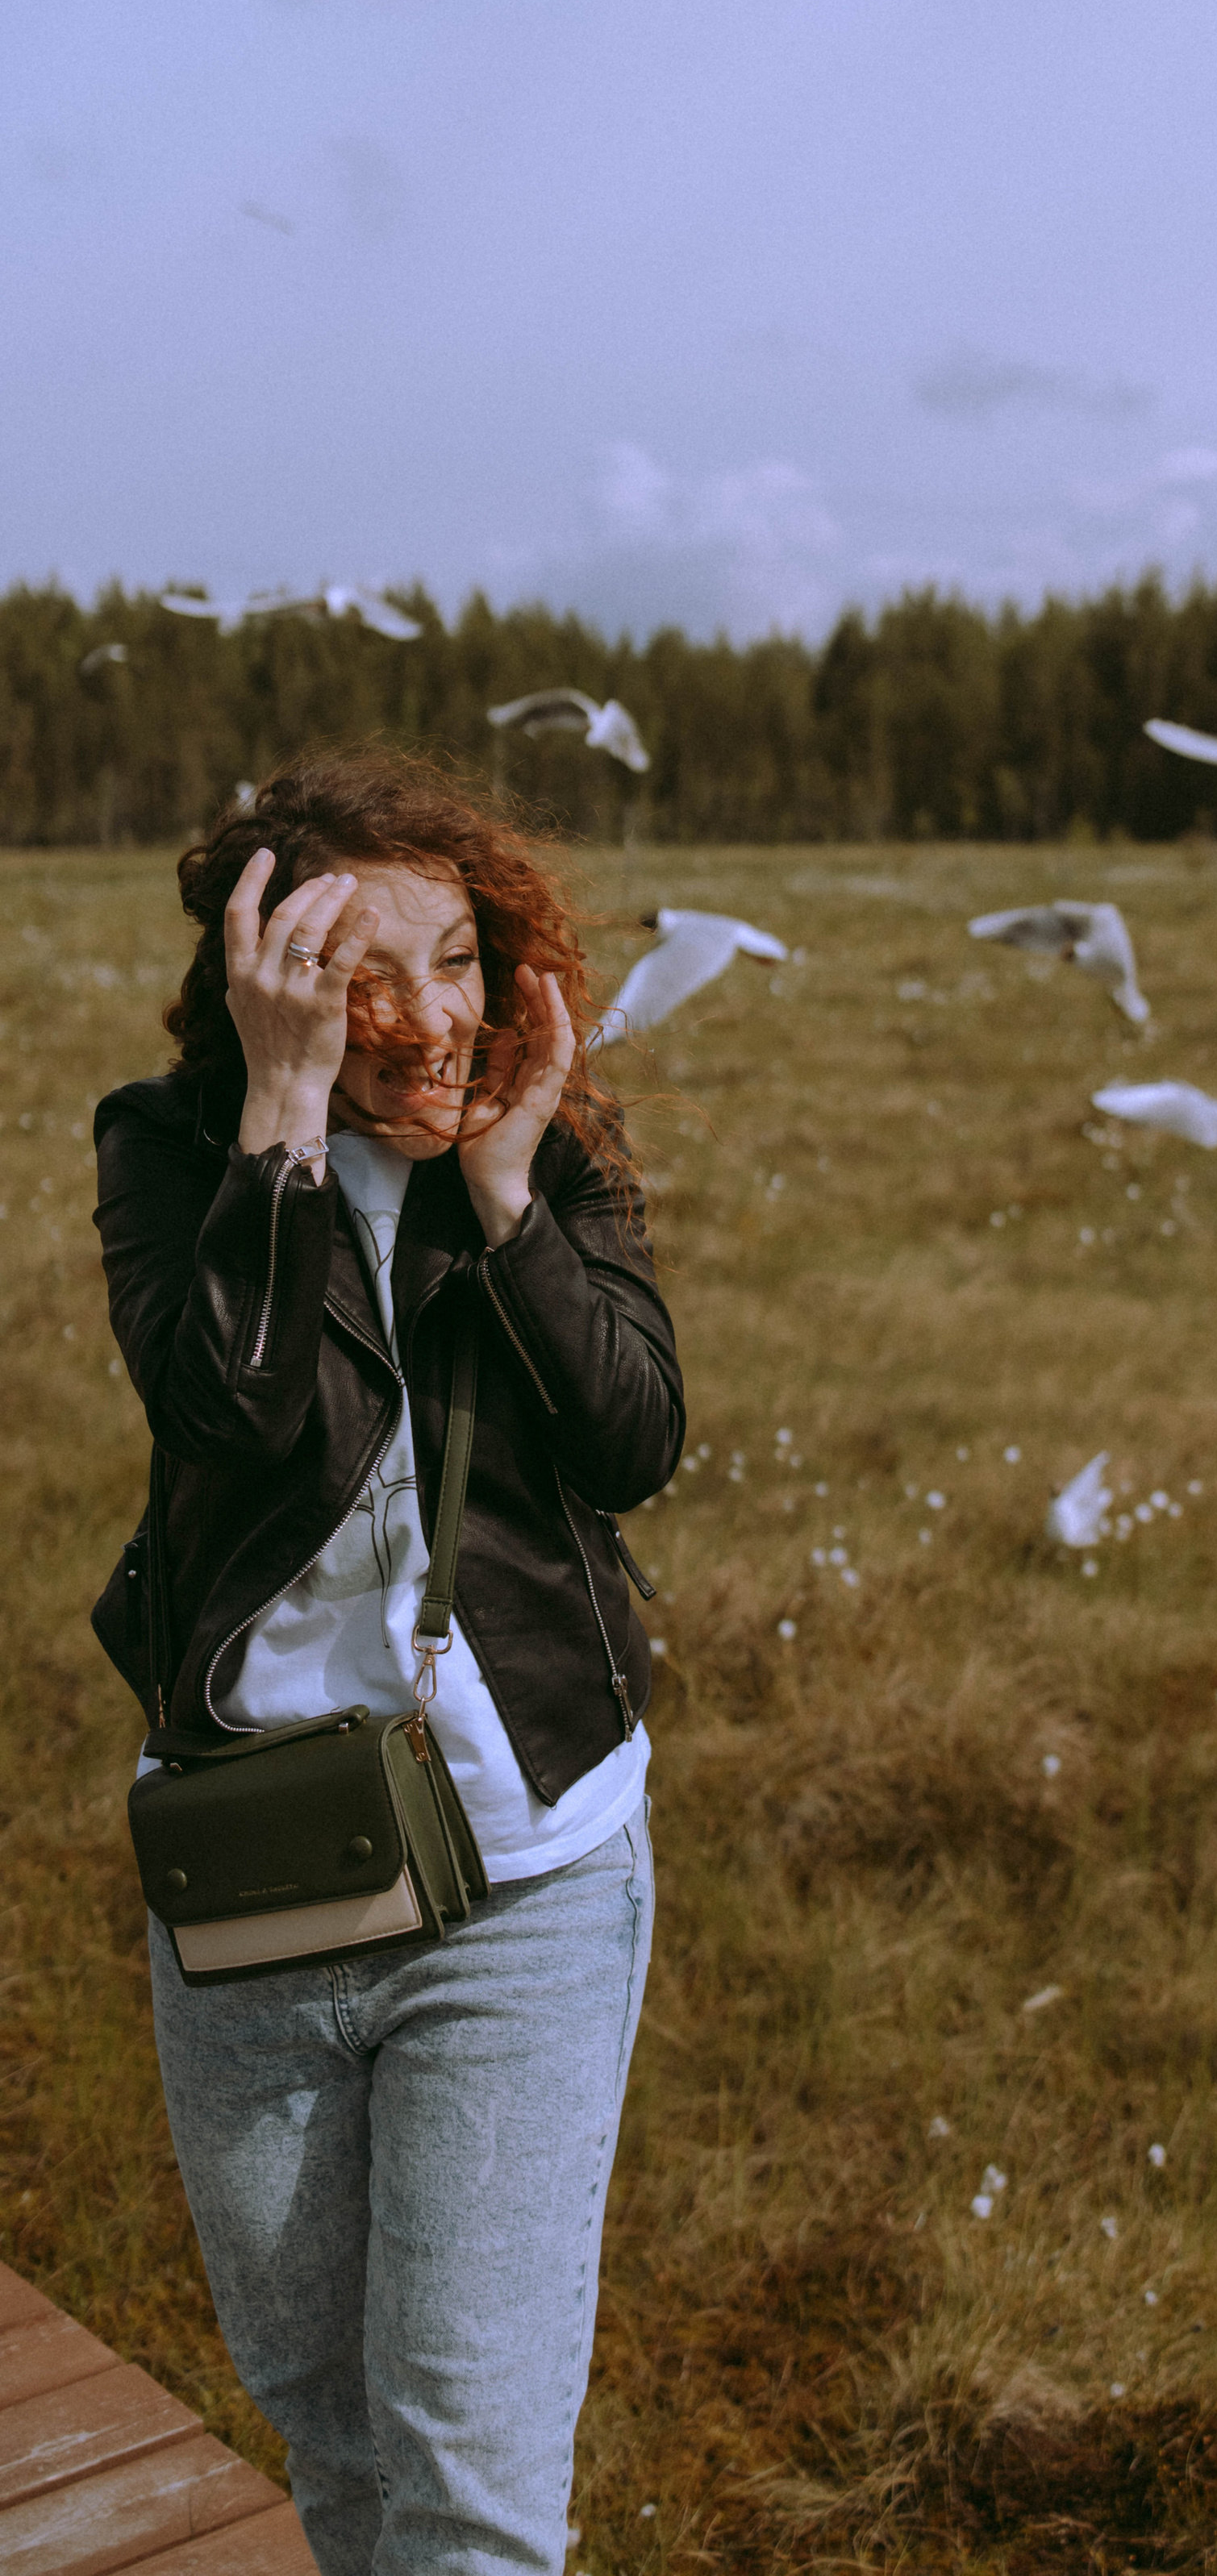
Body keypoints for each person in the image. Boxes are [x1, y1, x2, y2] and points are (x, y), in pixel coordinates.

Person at [92, 751, 685, 2576]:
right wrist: (282, 1117)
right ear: (265, 969)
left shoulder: (540, 1145)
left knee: (469, 2480)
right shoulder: (175, 1146)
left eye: (452, 960)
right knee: (331, 2427)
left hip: (525, 1879)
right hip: (267, 1866)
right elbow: (234, 1408)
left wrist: (507, 1204)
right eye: (361, 974)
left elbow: (633, 1442)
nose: (423, 1019)